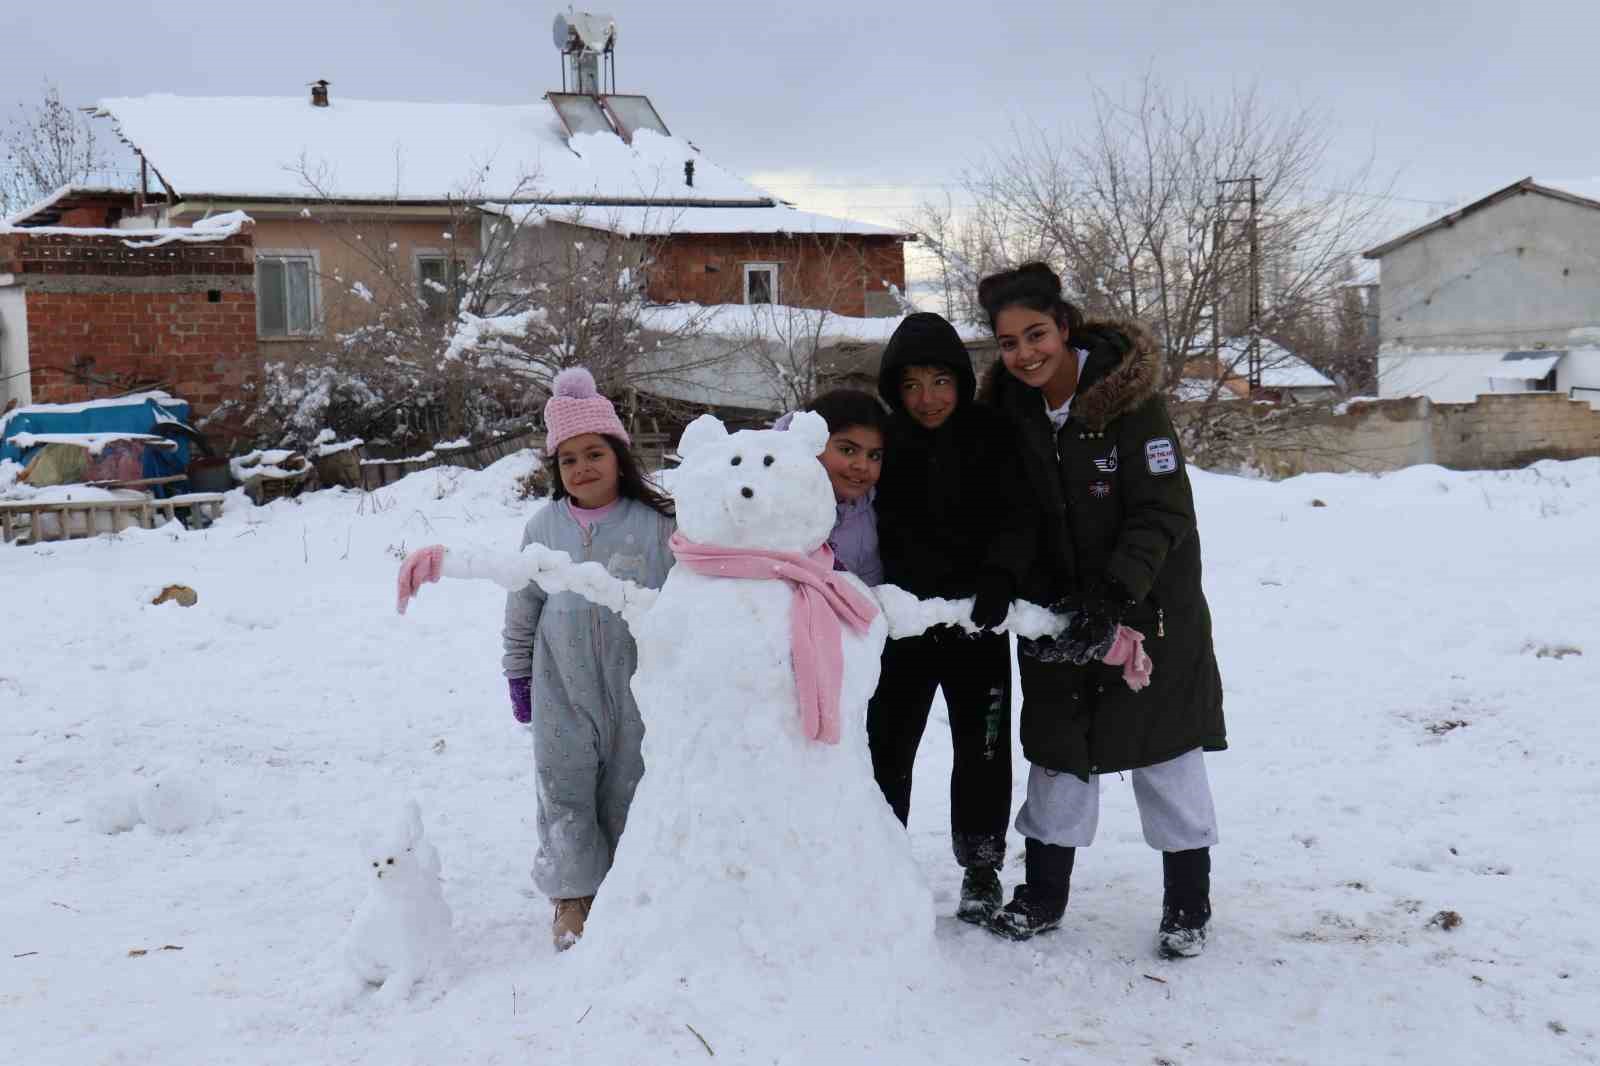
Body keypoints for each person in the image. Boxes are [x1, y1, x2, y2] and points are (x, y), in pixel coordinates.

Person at [974, 262, 1226, 958]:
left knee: (1165, 754)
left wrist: (1113, 596)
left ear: (1064, 326)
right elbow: (1017, 513)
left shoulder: (1127, 402)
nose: (1024, 354)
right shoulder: (1011, 413)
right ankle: (1043, 896)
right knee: (1058, 751)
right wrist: (1012, 578)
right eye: (1008, 342)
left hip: (1150, 611)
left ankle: (1187, 904)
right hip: (1056, 611)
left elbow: (1162, 511)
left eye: (1036, 335)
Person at [397, 366, 675, 952]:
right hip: (561, 686)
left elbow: (684, 606)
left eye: (594, 453)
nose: (582, 467)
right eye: (568, 459)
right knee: (565, 789)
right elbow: (522, 604)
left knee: (632, 785)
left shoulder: (657, 525)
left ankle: (629, 889)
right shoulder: (544, 526)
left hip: (639, 687)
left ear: (619, 455)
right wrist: (518, 672)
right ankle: (574, 897)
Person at [869, 312, 1038, 924]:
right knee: (887, 747)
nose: (927, 398)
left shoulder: (993, 434)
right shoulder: (884, 443)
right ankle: (879, 863)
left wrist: (1001, 576)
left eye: (939, 380)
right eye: (911, 385)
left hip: (978, 625)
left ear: (960, 381)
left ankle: (981, 864)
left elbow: (1020, 516)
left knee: (984, 746)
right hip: (903, 629)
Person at [777, 388, 889, 584]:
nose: (862, 465)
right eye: (848, 450)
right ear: (813, 443)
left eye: (874, 456)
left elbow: (871, 591)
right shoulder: (770, 496)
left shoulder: (864, 518)